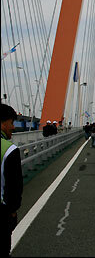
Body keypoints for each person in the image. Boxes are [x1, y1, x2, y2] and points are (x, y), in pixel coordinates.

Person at [1, 104, 23, 257]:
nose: (13, 127)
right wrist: (13, 211)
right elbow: (14, 186)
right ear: (3, 123)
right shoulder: (9, 149)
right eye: (11, 123)